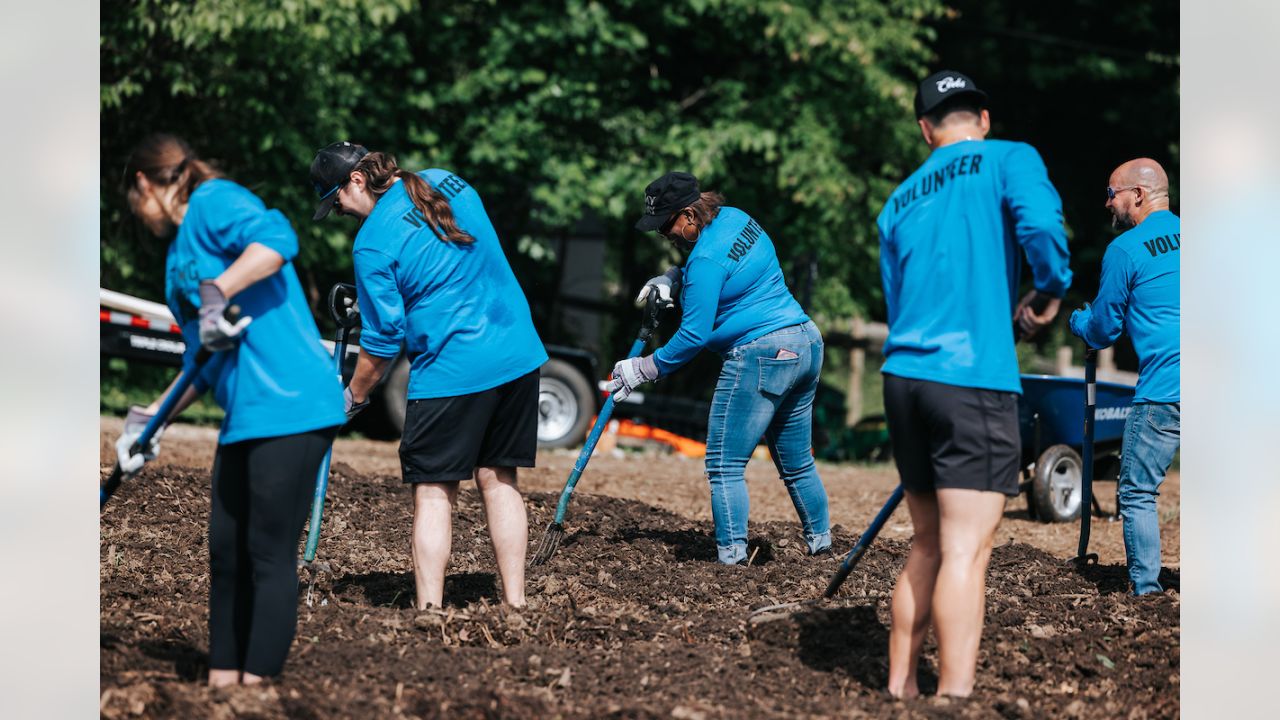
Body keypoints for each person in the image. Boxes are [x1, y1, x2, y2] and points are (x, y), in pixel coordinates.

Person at [115, 134, 346, 687]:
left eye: (132, 200)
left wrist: (221, 287)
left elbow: (278, 236)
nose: (136, 213)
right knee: (225, 557)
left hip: (293, 403)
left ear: (145, 183)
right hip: (244, 412)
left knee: (268, 554)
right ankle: (223, 686)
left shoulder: (214, 201)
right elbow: (202, 357)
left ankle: (255, 692)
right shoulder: (175, 265)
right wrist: (154, 419)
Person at [875, 71, 1072, 698]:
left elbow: (897, 300)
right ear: (982, 120)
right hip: (971, 380)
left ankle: (900, 687)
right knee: (967, 549)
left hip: (904, 378)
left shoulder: (898, 199)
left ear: (925, 129)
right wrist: (1050, 288)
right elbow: (1042, 232)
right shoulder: (1011, 157)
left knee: (927, 544)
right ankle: (952, 698)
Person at [310, 142, 546, 609]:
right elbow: (454, 261)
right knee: (500, 479)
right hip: (516, 351)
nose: (338, 211)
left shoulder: (372, 241)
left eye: (335, 200)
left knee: (435, 492)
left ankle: (430, 613)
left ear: (355, 181)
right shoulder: (446, 179)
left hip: (452, 368)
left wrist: (352, 397)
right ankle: (516, 606)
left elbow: (382, 341)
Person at [608, 171, 831, 565]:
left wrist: (644, 368)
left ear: (690, 214)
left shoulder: (705, 262)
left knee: (724, 465)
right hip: (805, 342)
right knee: (797, 463)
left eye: (667, 225)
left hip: (761, 353)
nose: (665, 236)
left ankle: (731, 561)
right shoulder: (737, 218)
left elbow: (693, 336)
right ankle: (822, 545)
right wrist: (675, 276)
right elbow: (722, 265)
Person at [1069, 158, 1180, 596]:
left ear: (1137, 194)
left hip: (1165, 389)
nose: (1107, 203)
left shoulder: (1126, 250)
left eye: (1112, 193)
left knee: (1137, 493)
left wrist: (1079, 322)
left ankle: (1148, 593)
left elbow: (1103, 330)